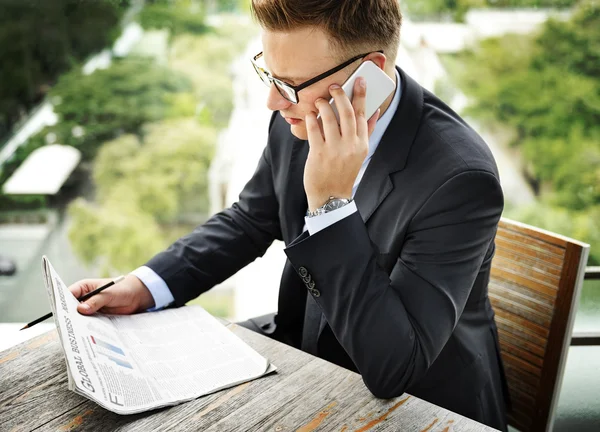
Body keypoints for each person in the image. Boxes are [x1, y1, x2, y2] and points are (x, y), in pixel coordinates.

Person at [69, 0, 508, 429]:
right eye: (269, 75)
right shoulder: (301, 112)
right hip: (303, 350)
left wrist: (331, 206)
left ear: (370, 74)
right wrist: (143, 287)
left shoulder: (460, 179)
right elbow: (250, 219)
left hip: (420, 404)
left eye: (290, 83)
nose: (273, 103)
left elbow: (395, 367)